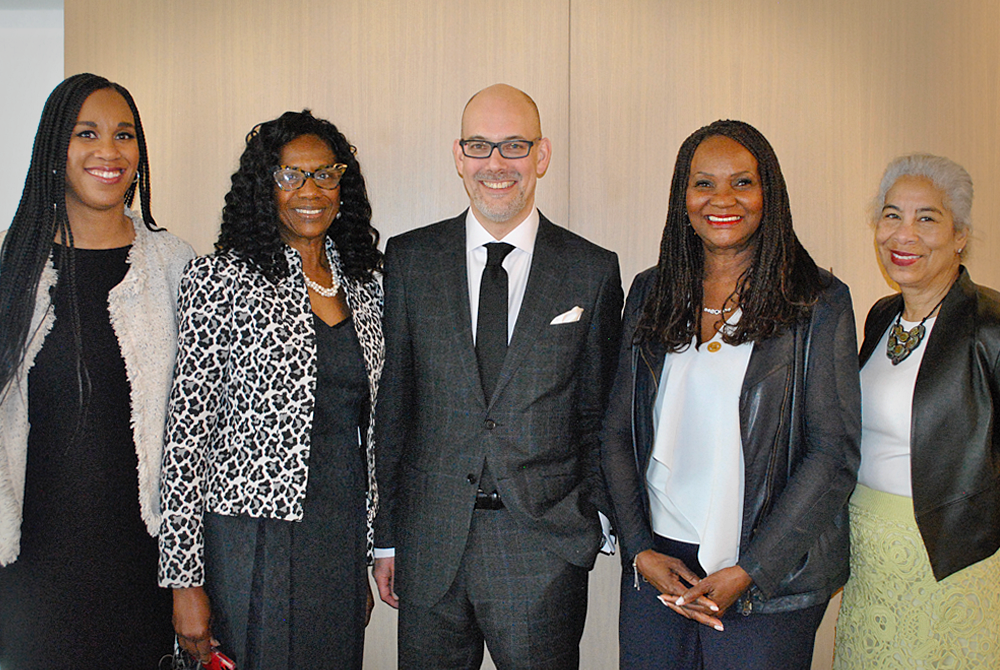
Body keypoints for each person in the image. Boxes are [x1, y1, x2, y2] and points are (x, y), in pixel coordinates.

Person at [373, 83, 623, 669]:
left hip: (543, 549)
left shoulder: (591, 269)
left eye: (514, 145)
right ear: (459, 157)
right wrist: (386, 535)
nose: (496, 164)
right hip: (430, 543)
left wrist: (593, 520)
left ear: (542, 155)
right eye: (479, 146)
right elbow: (395, 407)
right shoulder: (410, 259)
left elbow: (598, 413)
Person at [600, 120, 861, 669]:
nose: (722, 200)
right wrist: (639, 550)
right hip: (659, 565)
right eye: (704, 184)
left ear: (770, 194)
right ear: (683, 197)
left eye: (742, 183)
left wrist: (752, 571)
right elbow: (617, 431)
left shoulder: (817, 302)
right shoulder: (651, 291)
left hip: (768, 570)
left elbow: (832, 454)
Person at [157, 110, 383, 670]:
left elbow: (381, 427)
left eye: (325, 174)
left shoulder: (368, 286)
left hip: (339, 529)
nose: (310, 191)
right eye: (289, 176)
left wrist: (375, 543)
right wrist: (184, 580)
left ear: (342, 183)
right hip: (249, 537)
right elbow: (187, 437)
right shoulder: (221, 280)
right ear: (265, 187)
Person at [0, 73, 195, 668]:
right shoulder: (13, 271)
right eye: (87, 133)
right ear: (54, 150)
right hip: (31, 574)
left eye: (125, 135)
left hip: (145, 567)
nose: (109, 151)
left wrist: (192, 575)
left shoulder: (177, 268)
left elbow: (201, 434)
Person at [833, 154, 1000, 668]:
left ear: (960, 235)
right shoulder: (882, 315)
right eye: (891, 215)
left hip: (950, 559)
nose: (903, 234)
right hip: (867, 558)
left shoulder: (990, 325)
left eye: (926, 218)